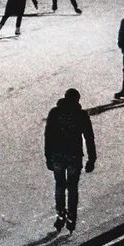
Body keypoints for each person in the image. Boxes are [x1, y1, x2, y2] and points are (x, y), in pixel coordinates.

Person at [43, 88, 97, 234]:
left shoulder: (55, 113)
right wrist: (91, 158)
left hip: (58, 155)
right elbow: (89, 138)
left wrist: (48, 156)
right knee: (72, 187)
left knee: (59, 185)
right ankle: (72, 216)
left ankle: (61, 214)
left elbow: (48, 135)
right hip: (74, 156)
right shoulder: (81, 115)